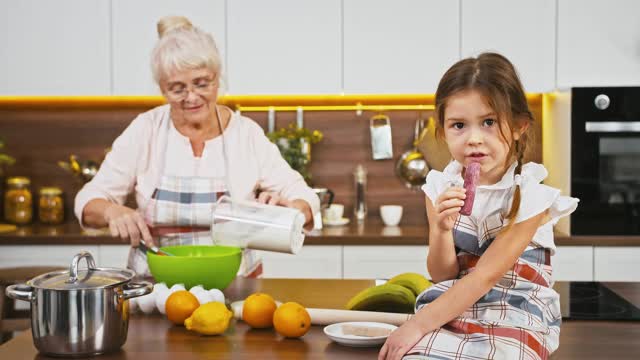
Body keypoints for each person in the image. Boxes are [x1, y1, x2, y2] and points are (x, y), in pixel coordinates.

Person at [74, 16, 319, 277]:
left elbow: (304, 197)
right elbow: (88, 202)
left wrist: (289, 209)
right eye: (177, 89)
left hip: (235, 286)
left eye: (202, 83)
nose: (191, 97)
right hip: (156, 288)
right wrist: (112, 211)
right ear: (162, 89)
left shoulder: (245, 134)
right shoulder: (146, 129)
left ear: (217, 77)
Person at [379, 53, 579, 360]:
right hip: (455, 303)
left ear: (518, 126)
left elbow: (485, 276)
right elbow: (443, 275)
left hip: (517, 309)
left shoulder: (530, 196)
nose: (473, 139)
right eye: (459, 125)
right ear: (443, 131)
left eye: (488, 122)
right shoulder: (439, 188)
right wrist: (442, 230)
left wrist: (415, 325)